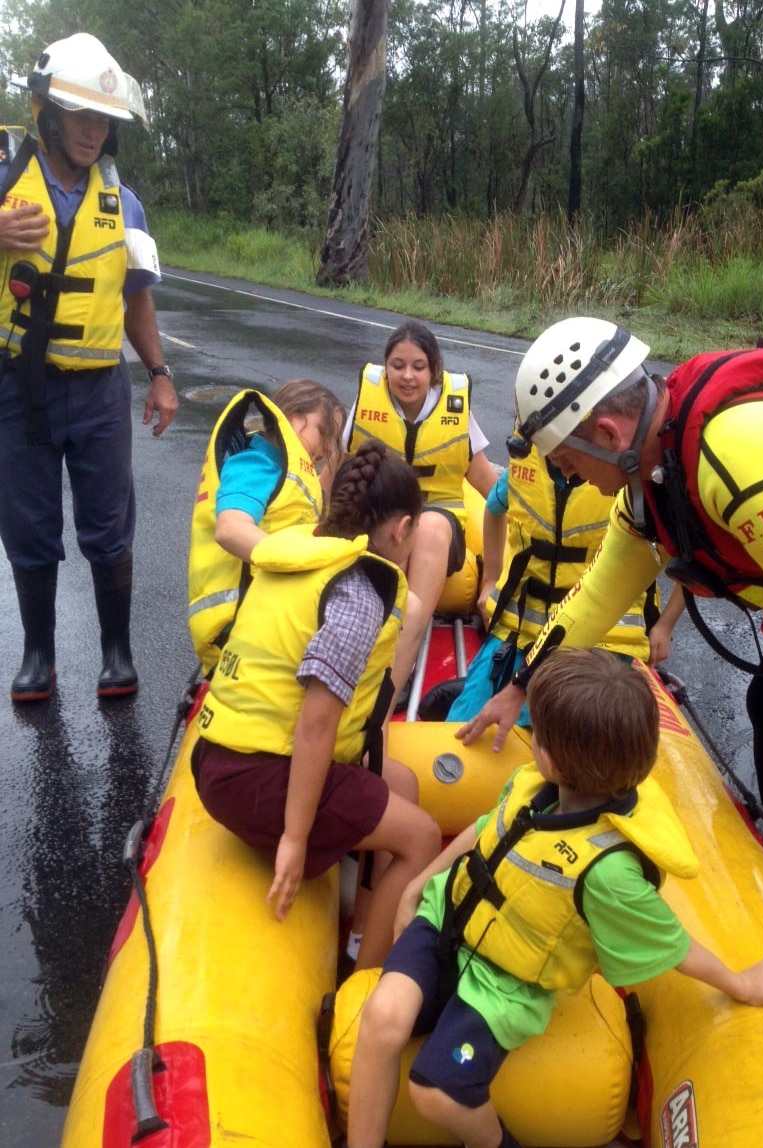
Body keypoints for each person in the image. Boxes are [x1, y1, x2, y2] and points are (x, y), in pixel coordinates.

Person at [458, 316, 763, 989]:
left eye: (569, 465)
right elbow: (591, 602)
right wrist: (518, 687)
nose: (576, 482)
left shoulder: (742, 458)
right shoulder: (654, 474)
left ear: (609, 435)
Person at [346, 649, 763, 1148]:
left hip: (504, 983)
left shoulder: (610, 872)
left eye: (535, 732)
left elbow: (673, 944)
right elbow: (483, 834)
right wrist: (418, 883)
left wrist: (741, 983)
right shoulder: (532, 784)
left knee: (437, 1093)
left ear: (552, 755)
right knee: (382, 1017)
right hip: (445, 921)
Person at [193, 440, 442, 968]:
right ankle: (366, 981)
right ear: (400, 530)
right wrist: (295, 837)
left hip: (219, 758)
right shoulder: (357, 593)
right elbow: (317, 722)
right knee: (421, 839)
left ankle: (359, 935)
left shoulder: (300, 550)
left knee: (403, 785)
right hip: (258, 778)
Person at [0, 33, 179, 703]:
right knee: (29, 522)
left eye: (102, 120)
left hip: (101, 388)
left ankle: (116, 651)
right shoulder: (5, 183)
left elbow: (138, 299)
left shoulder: (123, 202)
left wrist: (159, 373)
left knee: (109, 522)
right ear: (47, 113)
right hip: (19, 388)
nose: (93, 130)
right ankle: (38, 656)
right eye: (80, 116)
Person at [442, 443, 684, 726]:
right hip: (520, 627)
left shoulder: (630, 480)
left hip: (600, 639)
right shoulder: (527, 464)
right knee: (462, 720)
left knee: (539, 726)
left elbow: (688, 556)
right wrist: (491, 579)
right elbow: (494, 509)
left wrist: (665, 625)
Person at [340, 321, 498, 694]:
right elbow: (335, 469)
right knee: (393, 530)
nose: (407, 376)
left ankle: (397, 672)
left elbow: (489, 485)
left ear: (434, 370)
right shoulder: (367, 401)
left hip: (439, 525)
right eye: (397, 366)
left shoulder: (455, 408)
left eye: (418, 366)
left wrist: (497, 569)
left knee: (425, 526)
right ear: (386, 367)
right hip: (382, 521)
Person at [188, 379, 346, 676]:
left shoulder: (284, 470)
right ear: (288, 415)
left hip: (265, 616)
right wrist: (299, 561)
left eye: (333, 440)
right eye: (323, 433)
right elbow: (230, 529)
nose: (327, 448)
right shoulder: (256, 465)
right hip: (241, 628)